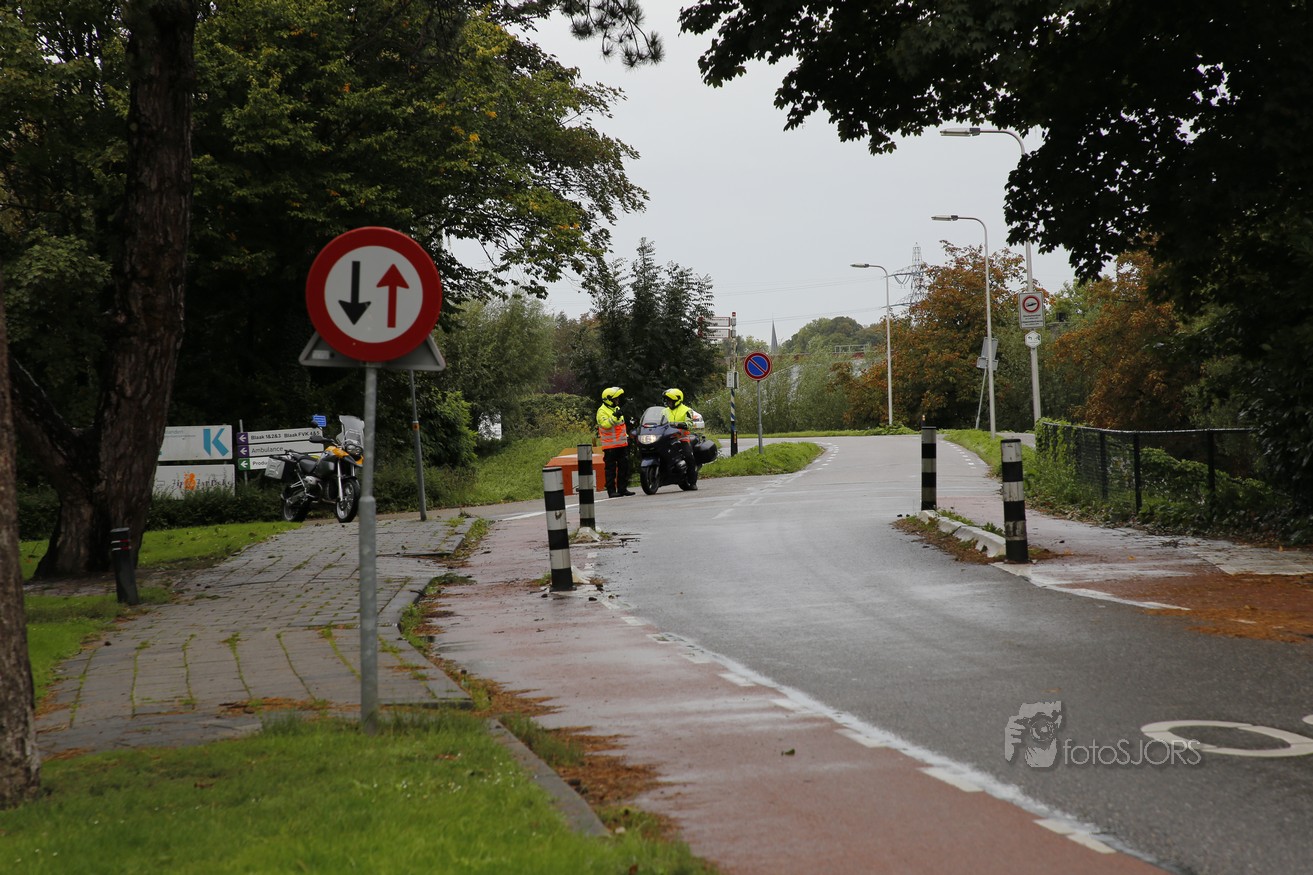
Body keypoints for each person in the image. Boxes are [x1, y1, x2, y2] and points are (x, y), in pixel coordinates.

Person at [596, 387, 635, 497]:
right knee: (611, 469)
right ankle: (611, 491)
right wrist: (614, 417)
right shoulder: (602, 411)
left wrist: (626, 438)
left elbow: (620, 426)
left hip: (621, 444)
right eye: (615, 399)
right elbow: (605, 425)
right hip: (610, 446)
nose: (617, 400)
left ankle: (622, 489)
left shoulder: (616, 408)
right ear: (609, 399)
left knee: (624, 467)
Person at [662, 388, 700, 481]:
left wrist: (680, 424)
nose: (668, 402)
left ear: (677, 400)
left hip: (682, 438)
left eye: (670, 400)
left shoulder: (686, 410)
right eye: (667, 400)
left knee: (688, 456)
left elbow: (690, 423)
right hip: (667, 438)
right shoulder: (664, 411)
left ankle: (692, 481)